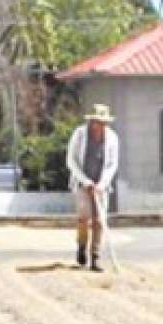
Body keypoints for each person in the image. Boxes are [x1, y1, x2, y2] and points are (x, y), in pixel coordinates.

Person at [66, 104, 119, 272]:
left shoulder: (112, 138)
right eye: (97, 122)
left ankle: (95, 257)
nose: (99, 126)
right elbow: (71, 160)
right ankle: (82, 246)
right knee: (84, 218)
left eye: (103, 123)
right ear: (91, 121)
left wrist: (101, 184)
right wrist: (85, 181)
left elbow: (112, 164)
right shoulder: (80, 134)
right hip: (83, 183)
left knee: (99, 220)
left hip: (101, 185)